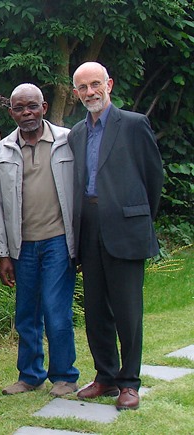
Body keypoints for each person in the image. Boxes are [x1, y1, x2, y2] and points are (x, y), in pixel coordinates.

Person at [69, 62, 163, 411]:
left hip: (126, 228)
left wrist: (137, 218)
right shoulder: (77, 133)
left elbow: (153, 178)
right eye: (82, 87)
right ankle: (106, 376)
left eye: (95, 84)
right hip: (89, 229)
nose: (90, 92)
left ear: (109, 83)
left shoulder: (134, 125)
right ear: (76, 92)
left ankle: (129, 382)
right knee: (95, 311)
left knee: (127, 311)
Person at [0, 84, 80, 398]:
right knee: (26, 314)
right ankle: (30, 375)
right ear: (11, 112)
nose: (26, 113)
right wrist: (3, 254)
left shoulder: (67, 141)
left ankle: (65, 376)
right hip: (22, 246)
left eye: (32, 106)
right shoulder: (2, 150)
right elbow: (0, 207)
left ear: (44, 106)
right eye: (19, 108)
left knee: (57, 311)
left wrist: (79, 244)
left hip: (58, 241)